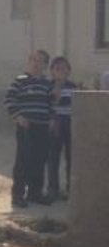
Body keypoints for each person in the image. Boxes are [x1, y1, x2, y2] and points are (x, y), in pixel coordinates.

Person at [3, 49, 54, 207]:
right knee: (23, 160)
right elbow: (9, 100)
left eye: (41, 61)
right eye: (34, 60)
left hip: (43, 127)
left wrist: (52, 118)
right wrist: (18, 116)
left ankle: (35, 193)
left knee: (39, 160)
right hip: (26, 126)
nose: (37, 64)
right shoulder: (20, 80)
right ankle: (18, 195)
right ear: (29, 61)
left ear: (45, 65)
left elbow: (51, 103)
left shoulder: (47, 83)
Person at [46, 55, 76, 201]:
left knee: (71, 157)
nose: (60, 71)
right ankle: (53, 188)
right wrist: (57, 87)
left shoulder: (73, 87)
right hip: (55, 123)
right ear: (52, 71)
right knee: (53, 157)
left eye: (64, 68)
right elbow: (48, 104)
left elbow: (79, 106)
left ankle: (70, 189)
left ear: (69, 71)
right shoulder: (49, 86)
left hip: (70, 123)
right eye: (57, 69)